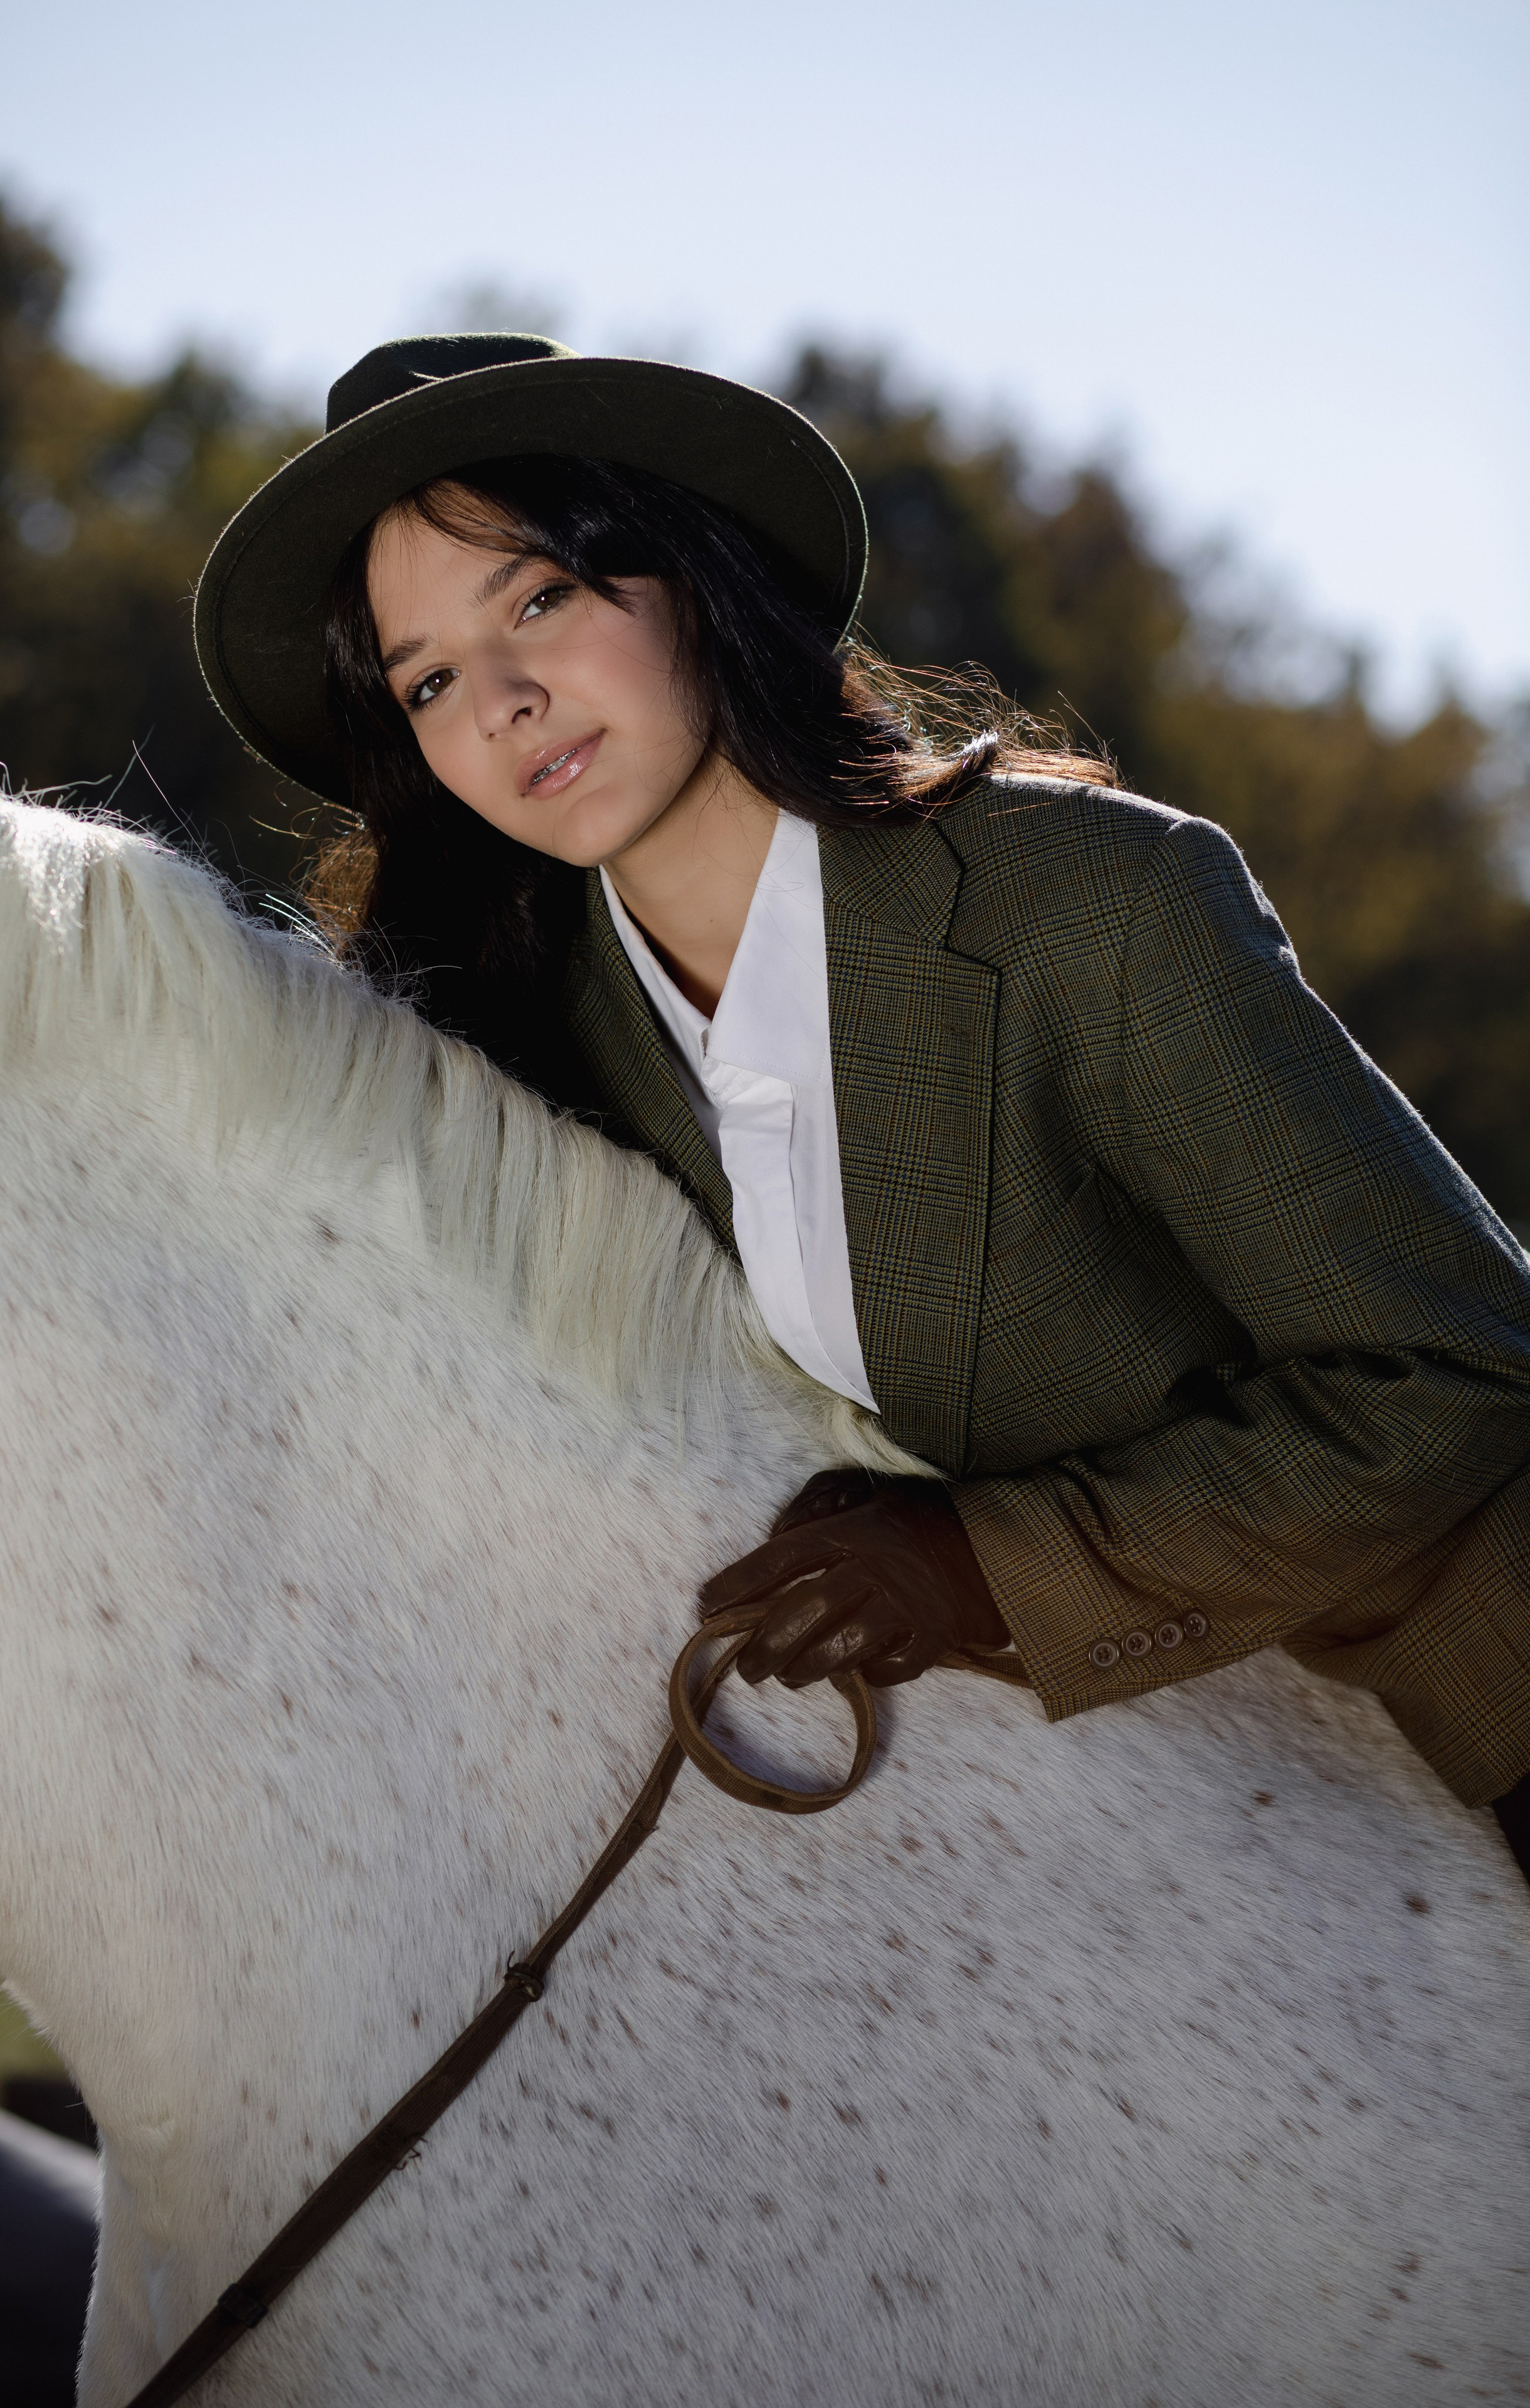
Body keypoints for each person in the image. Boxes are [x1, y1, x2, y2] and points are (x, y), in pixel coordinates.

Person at [196, 332, 1530, 1873]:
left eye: (540, 598)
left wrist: (979, 1567)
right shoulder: (534, 1048)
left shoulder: (1094, 904)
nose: (498, 700)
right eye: (427, 680)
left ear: (692, 577)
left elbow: (1457, 1368)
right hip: (1127, 1799)